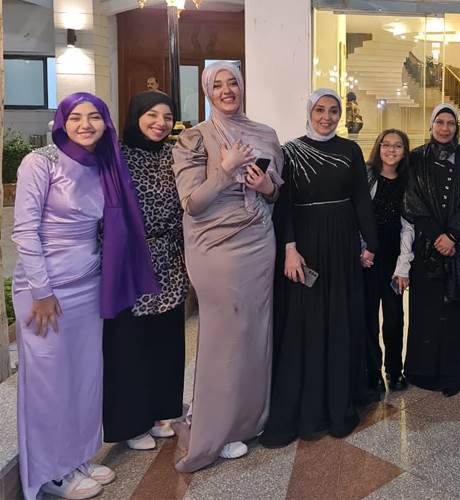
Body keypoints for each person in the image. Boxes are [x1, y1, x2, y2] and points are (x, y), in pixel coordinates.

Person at [13, 92, 158, 499]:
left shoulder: (104, 164)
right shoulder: (40, 163)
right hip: (45, 292)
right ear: (62, 122)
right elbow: (24, 231)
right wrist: (42, 292)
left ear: (106, 123)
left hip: (88, 285)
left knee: (84, 378)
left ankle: (75, 457)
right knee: (49, 383)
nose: (85, 125)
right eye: (75, 117)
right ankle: (50, 473)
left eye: (94, 117)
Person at [171, 61, 283, 470]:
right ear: (207, 91)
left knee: (255, 333)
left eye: (232, 82)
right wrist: (227, 168)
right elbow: (193, 203)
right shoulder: (194, 138)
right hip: (215, 248)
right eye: (217, 84)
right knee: (224, 338)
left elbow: (276, 193)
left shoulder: (265, 134)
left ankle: (247, 422)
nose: (226, 90)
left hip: (259, 242)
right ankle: (212, 431)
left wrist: (266, 186)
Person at [260, 88, 378, 445]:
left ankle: (339, 401)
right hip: (306, 247)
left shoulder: (350, 150)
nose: (326, 117)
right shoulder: (290, 151)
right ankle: (308, 406)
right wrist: (289, 249)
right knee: (307, 321)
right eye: (320, 110)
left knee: (340, 316)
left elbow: (360, 199)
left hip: (342, 245)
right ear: (310, 112)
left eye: (333, 111)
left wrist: (369, 243)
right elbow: (284, 204)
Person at [103, 91, 189, 451]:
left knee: (165, 340)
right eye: (152, 115)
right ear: (135, 115)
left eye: (167, 117)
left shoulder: (174, 155)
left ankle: (160, 412)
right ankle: (132, 423)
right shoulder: (116, 156)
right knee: (130, 344)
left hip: (169, 257)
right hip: (129, 259)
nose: (160, 123)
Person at [404, 103, 460, 397]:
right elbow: (412, 199)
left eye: (450, 123)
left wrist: (452, 236)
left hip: (458, 246)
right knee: (427, 310)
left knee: (456, 310)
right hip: (426, 246)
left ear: (457, 128)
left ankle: (455, 371)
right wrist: (436, 236)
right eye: (440, 122)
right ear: (431, 125)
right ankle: (424, 370)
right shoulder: (415, 158)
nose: (445, 128)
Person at [363, 129, 413, 392]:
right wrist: (362, 249)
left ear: (404, 152)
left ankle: (395, 371)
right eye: (386, 144)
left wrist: (403, 266)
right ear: (378, 147)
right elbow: (357, 217)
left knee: (394, 318)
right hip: (368, 259)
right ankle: (372, 372)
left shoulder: (407, 182)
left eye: (398, 146)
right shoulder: (366, 175)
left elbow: (408, 227)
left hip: (394, 262)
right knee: (368, 319)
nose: (391, 150)